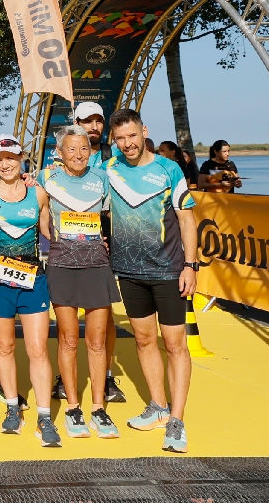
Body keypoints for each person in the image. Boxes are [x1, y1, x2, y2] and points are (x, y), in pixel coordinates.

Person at [106, 108, 198, 453]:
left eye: (132, 135)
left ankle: (177, 419)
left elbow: (187, 220)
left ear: (144, 131)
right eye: (120, 138)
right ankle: (158, 407)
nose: (128, 144)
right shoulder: (110, 169)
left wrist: (190, 266)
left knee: (175, 345)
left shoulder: (169, 169)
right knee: (144, 341)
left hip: (168, 270)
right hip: (129, 272)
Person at [41, 124, 122, 440]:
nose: (78, 154)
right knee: (69, 339)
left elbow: (113, 216)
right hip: (62, 265)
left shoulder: (102, 178)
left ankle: (99, 408)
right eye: (71, 149)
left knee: (98, 341)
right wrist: (52, 238)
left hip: (96, 265)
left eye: (84, 148)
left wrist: (107, 240)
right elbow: (34, 210)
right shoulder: (46, 179)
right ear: (59, 153)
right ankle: (73, 407)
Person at [0, 134, 59, 447]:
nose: (5, 165)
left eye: (10, 158)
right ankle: (12, 407)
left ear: (21, 158)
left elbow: (49, 231)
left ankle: (44, 416)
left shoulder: (37, 192)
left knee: (38, 349)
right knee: (4, 347)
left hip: (32, 278)